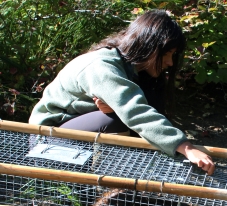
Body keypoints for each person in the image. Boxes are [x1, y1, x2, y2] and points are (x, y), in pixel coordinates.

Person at [29, 10, 215, 175]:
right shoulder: (101, 66)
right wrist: (186, 147)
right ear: (148, 46)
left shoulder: (133, 71)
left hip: (74, 133)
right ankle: (109, 180)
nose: (170, 63)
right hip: (46, 141)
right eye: (167, 54)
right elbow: (135, 112)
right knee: (113, 120)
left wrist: (114, 109)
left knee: (117, 117)